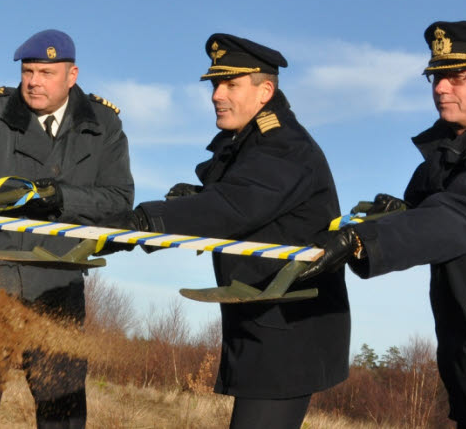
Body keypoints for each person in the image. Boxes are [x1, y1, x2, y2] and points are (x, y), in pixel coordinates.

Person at [101, 34, 349, 429]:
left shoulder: (284, 145)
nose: (217, 95)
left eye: (231, 84)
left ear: (265, 91)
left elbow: (235, 207)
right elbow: (250, 207)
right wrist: (194, 199)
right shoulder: (249, 143)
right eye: (216, 84)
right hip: (261, 320)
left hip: (289, 332)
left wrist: (145, 221)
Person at [0, 29, 134, 428]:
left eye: (46, 72)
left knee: (62, 405)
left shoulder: (103, 123)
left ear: (72, 76)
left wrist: (63, 198)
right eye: (28, 71)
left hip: (56, 280)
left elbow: (118, 199)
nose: (33, 81)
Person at [302, 21, 466, 428]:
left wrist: (364, 240)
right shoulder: (453, 151)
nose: (441, 88)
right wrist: (401, 213)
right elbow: (431, 210)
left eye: (457, 76)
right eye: (435, 77)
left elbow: (462, 214)